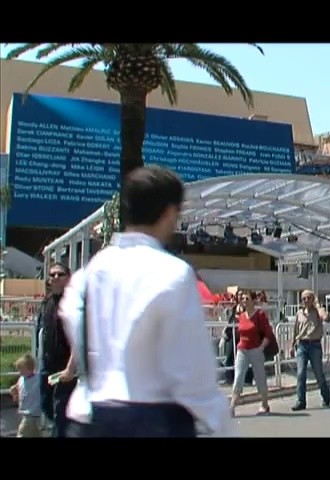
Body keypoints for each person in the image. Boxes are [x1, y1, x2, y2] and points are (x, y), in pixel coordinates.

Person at [59, 166, 228, 437]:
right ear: (169, 212)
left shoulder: (91, 270)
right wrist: (220, 426)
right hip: (153, 419)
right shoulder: (173, 272)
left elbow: (69, 312)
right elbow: (193, 373)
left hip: (90, 414)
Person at [36, 262, 75, 437]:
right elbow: (41, 331)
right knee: (46, 405)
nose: (55, 278)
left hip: (67, 366)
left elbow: (79, 337)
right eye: (52, 275)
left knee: (61, 412)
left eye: (60, 274)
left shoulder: (74, 303)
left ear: (68, 278)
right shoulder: (47, 302)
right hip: (47, 365)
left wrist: (71, 368)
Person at [230, 291, 272, 415]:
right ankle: (231, 406)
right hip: (242, 349)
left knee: (260, 377)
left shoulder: (260, 315)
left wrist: (261, 348)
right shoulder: (241, 316)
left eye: (247, 298)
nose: (244, 300)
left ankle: (264, 404)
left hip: (255, 349)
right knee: (238, 377)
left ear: (253, 300)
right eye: (242, 298)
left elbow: (268, 333)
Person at [290, 289, 330, 411]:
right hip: (302, 345)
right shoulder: (299, 313)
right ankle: (301, 401)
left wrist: (318, 306)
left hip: (314, 345)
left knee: (318, 373)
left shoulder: (318, 312)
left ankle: (326, 396)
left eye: (308, 298)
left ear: (313, 299)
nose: (306, 300)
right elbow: (296, 330)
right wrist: (292, 345)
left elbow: (327, 318)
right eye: (304, 298)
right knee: (300, 373)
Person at [9, 354, 42, 437]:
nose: (19, 372)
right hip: (26, 412)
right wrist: (14, 391)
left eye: (21, 369)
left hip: (32, 413)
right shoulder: (21, 378)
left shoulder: (39, 378)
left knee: (22, 434)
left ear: (30, 368)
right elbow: (17, 388)